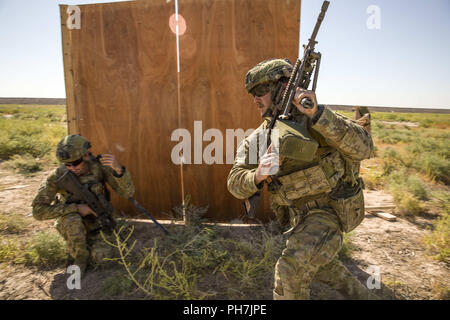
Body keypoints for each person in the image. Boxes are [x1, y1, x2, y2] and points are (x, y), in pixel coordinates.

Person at [227, 58, 378, 300]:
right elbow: (235, 182)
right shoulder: (259, 138)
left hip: (330, 211)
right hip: (298, 220)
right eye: (252, 94)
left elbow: (364, 148)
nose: (255, 99)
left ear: (282, 89)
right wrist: (257, 175)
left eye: (261, 91)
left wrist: (318, 114)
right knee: (324, 267)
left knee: (291, 269)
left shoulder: (318, 120)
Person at [32, 134, 135, 275]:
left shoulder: (98, 168)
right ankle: (79, 260)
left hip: (97, 221)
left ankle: (85, 246)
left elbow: (127, 193)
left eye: (76, 162)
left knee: (103, 257)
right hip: (71, 223)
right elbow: (38, 211)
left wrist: (118, 170)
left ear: (86, 155)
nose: (72, 167)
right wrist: (76, 209)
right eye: (67, 164)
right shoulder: (57, 177)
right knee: (72, 219)